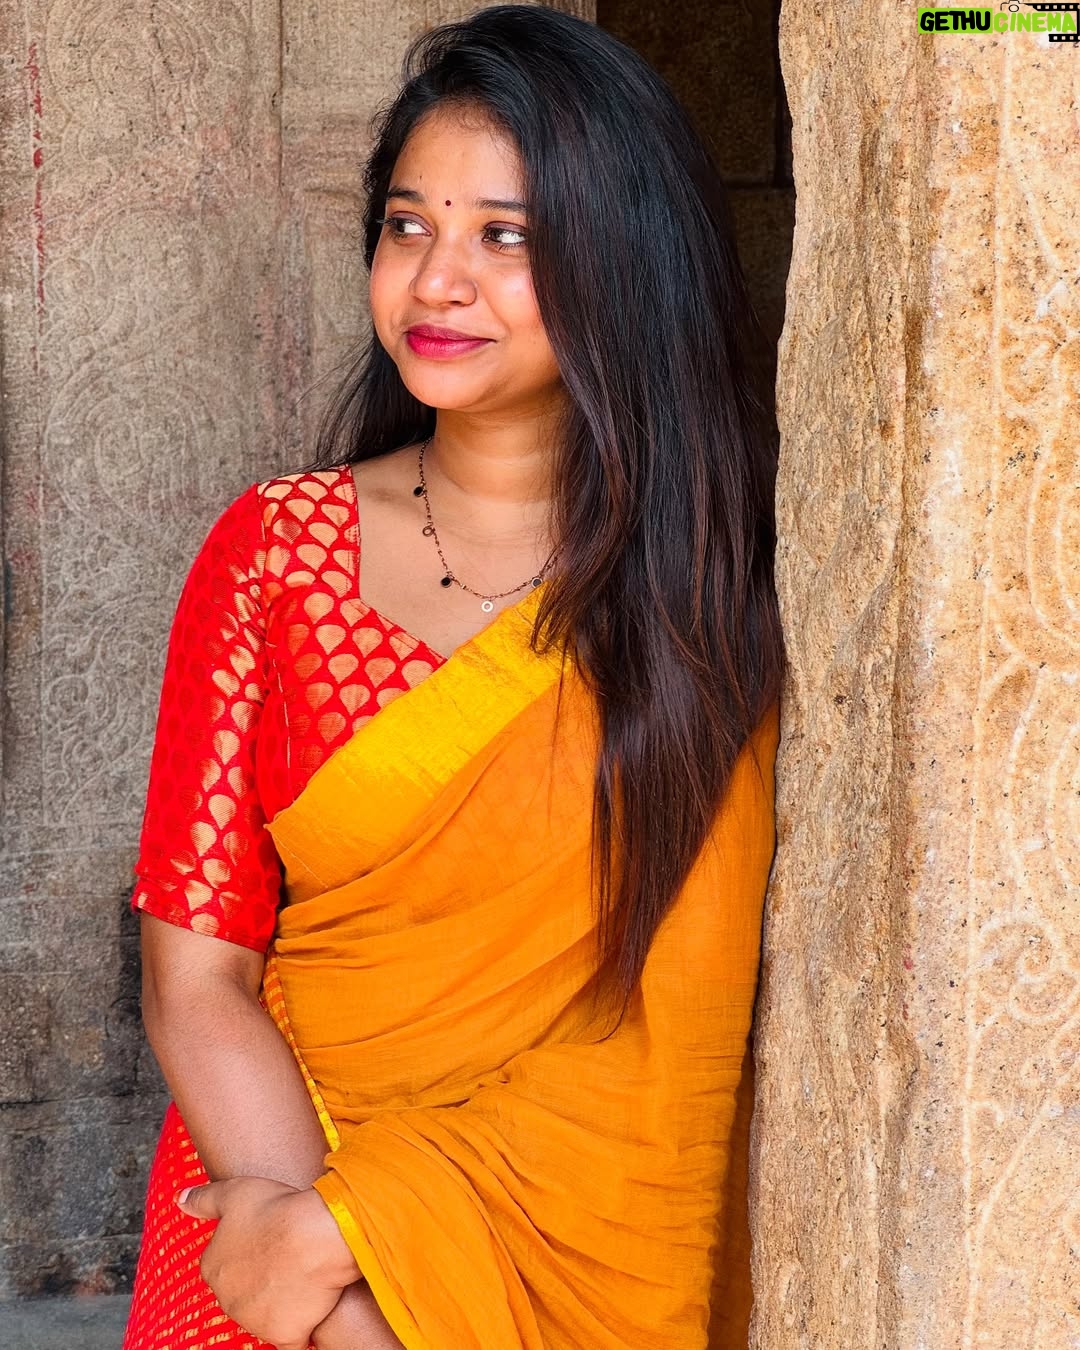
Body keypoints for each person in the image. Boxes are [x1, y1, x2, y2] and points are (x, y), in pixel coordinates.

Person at [122, 6, 785, 1348]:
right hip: (265, 1227)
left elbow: (667, 1048)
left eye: (506, 237)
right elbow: (198, 975)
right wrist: (332, 1284)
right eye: (408, 225)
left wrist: (361, 1242)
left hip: (556, 1259)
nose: (437, 280)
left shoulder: (705, 602)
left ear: (626, 261)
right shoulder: (276, 554)